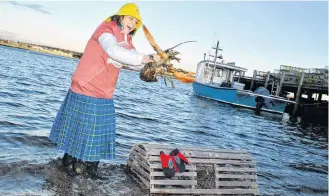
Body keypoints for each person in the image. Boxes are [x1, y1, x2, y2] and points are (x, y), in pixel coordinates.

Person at [49, 3, 160, 179]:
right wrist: (146, 57)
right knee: (84, 132)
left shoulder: (128, 40)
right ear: (121, 16)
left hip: (104, 92)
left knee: (89, 133)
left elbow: (134, 59)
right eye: (131, 18)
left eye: (136, 21)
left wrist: (154, 62)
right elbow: (113, 50)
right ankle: (74, 169)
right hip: (86, 86)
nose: (133, 23)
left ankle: (73, 169)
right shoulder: (105, 29)